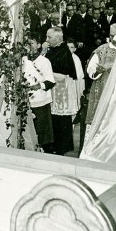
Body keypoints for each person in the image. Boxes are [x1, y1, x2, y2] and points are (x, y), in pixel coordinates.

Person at [44, 27, 78, 155]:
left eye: (49, 37)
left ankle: (61, 147)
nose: (46, 39)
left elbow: (63, 75)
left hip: (61, 89)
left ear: (58, 38)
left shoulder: (63, 51)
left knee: (61, 119)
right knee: (54, 118)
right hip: (54, 87)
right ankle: (53, 145)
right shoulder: (52, 49)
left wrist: (45, 73)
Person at [85, 23, 116, 125]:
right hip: (102, 87)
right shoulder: (101, 50)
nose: (115, 39)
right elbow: (91, 68)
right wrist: (98, 71)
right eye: (112, 36)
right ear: (110, 36)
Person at [23, 32, 55, 151]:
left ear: (38, 45)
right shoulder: (23, 60)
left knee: (41, 127)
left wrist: (39, 85)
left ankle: (42, 148)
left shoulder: (44, 61)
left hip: (40, 98)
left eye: (31, 43)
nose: (29, 46)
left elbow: (50, 81)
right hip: (27, 98)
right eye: (27, 43)